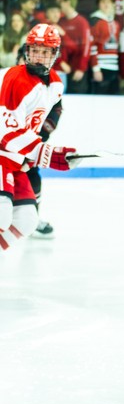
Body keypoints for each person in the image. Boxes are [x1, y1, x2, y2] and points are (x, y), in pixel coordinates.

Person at [0, 24, 80, 251]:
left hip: (14, 157)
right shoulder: (16, 79)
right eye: (35, 50)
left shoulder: (55, 84)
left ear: (54, 55)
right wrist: (46, 154)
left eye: (45, 52)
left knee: (27, 221)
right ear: (27, 51)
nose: (38, 56)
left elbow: (32, 125)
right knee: (2, 214)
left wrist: (32, 154)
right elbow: (6, 131)